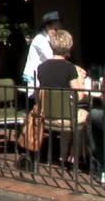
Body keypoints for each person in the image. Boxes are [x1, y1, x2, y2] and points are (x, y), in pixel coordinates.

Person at [36, 30, 88, 164]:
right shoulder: (69, 68)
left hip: (47, 116)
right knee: (87, 116)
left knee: (67, 115)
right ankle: (74, 155)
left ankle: (62, 156)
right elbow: (79, 95)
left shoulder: (41, 67)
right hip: (66, 117)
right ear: (69, 47)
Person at [22, 11, 61, 94]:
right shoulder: (40, 39)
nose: (57, 31)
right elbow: (51, 58)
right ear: (47, 27)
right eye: (55, 29)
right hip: (36, 79)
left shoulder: (49, 39)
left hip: (44, 77)